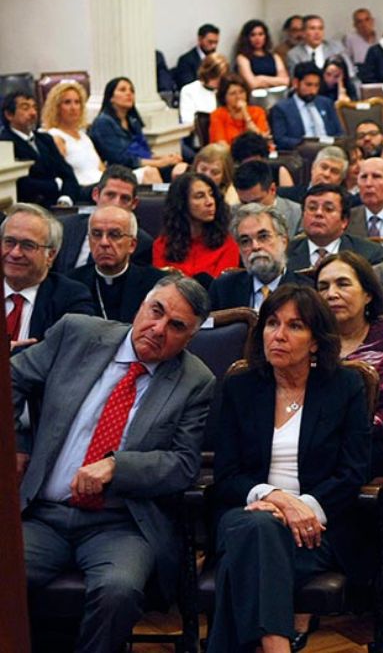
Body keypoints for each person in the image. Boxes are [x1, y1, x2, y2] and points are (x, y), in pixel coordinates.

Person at [15, 276, 214, 652]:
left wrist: (116, 467)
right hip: (44, 515)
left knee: (118, 591)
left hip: (121, 525)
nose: (158, 329)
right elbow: (11, 377)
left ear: (190, 339)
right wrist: (17, 442)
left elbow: (184, 463)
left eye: (176, 327)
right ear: (141, 305)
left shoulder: (195, 380)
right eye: (156, 311)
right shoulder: (77, 333)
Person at [206, 285, 370, 652]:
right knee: (259, 527)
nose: (278, 335)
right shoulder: (241, 387)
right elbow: (227, 476)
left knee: (244, 562)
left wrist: (303, 508)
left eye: (294, 326)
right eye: (272, 323)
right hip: (247, 513)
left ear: (315, 342)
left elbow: (352, 473)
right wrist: (276, 499)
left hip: (315, 530)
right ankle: (278, 645)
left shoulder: (344, 386)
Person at [315, 251, 383, 472]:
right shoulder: (311, 339)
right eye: (323, 287)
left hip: (378, 443)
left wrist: (367, 426)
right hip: (317, 443)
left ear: (367, 294)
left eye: (343, 284)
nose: (331, 294)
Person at [2, 203, 95, 349]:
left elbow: (70, 354)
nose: (15, 253)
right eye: (9, 242)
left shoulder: (71, 298)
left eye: (28, 245)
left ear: (51, 255)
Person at [41, 80, 150, 196]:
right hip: (84, 188)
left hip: (101, 182)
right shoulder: (55, 136)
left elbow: (102, 168)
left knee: (148, 173)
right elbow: (60, 175)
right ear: (56, 107)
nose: (73, 107)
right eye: (67, 102)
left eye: (77, 102)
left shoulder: (83, 136)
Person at [67, 204, 166, 323]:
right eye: (97, 234)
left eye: (114, 235)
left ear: (132, 245)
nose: (104, 243)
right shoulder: (71, 283)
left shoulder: (156, 285)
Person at [208, 203, 311, 311]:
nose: (255, 246)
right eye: (245, 241)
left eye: (263, 237)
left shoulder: (307, 290)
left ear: (284, 241)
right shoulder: (223, 289)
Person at [53, 166, 155, 273]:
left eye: (125, 198)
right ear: (95, 194)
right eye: (110, 195)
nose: (116, 203)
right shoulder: (64, 227)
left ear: (134, 204)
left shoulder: (142, 243)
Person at [89, 77, 183, 181]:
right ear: (111, 98)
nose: (129, 94)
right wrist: (159, 163)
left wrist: (165, 158)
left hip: (143, 165)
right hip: (122, 171)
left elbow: (144, 151)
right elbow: (120, 159)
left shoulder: (132, 120)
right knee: (152, 172)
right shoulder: (103, 123)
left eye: (131, 91)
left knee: (181, 168)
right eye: (123, 90)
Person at [152, 172, 240, 281]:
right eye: (200, 196)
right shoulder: (162, 245)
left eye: (211, 194)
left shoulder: (227, 244)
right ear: (182, 203)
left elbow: (222, 289)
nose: (210, 202)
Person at [1, 91, 80, 205]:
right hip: (30, 208)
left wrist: (65, 198)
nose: (33, 113)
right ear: (9, 114)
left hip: (59, 203)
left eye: (34, 107)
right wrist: (55, 184)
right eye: (25, 108)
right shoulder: (4, 144)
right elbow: (21, 185)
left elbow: (67, 174)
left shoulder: (45, 139)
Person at [288, 183, 383, 269]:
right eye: (312, 208)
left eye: (328, 209)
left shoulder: (368, 253)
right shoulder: (286, 252)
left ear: (344, 221)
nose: (318, 213)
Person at [270, 62, 343, 150]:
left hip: (329, 151)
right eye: (308, 85)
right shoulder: (281, 109)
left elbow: (339, 133)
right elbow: (280, 139)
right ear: (296, 83)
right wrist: (306, 145)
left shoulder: (326, 103)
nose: (313, 90)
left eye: (316, 85)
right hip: (300, 154)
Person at [287, 15, 358, 95]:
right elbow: (296, 82)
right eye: (312, 28)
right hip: (309, 94)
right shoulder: (294, 54)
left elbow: (351, 74)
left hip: (336, 93)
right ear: (303, 32)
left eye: (320, 28)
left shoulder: (337, 48)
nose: (317, 33)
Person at [233, 159, 304, 236]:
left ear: (272, 189)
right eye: (244, 203)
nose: (249, 208)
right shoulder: (230, 216)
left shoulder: (297, 215)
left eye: (256, 202)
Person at [209, 73, 270, 145]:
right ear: (224, 97)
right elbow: (221, 144)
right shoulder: (217, 115)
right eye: (233, 93)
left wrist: (246, 115)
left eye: (241, 92)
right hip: (228, 154)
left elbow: (262, 139)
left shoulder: (258, 112)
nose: (238, 97)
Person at [235, 19, 290, 90]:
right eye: (253, 35)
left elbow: (286, 81)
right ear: (247, 38)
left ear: (265, 36)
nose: (257, 38)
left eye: (261, 34)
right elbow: (252, 84)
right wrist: (275, 81)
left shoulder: (274, 56)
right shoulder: (242, 58)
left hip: (277, 95)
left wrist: (262, 79)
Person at [178, 53, 229, 126]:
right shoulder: (189, 90)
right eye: (215, 76)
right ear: (207, 73)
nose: (219, 81)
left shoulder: (228, 90)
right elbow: (187, 121)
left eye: (222, 77)